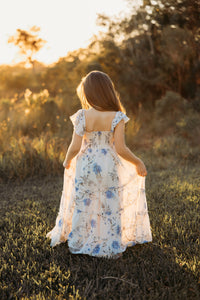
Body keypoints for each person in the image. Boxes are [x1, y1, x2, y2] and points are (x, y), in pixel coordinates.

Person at [46, 70, 152, 258]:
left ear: (88, 93)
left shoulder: (82, 116)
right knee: (108, 204)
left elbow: (75, 145)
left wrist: (67, 160)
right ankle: (109, 241)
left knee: (84, 201)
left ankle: (80, 239)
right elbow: (120, 148)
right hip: (108, 166)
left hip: (85, 165)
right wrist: (137, 161)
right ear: (107, 91)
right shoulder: (117, 116)